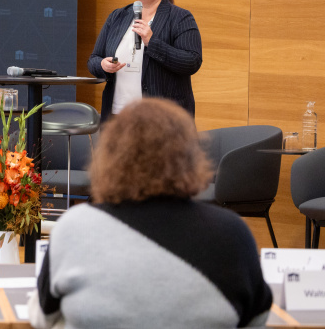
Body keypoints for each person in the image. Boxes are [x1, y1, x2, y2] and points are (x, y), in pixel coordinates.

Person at [29, 98, 272, 329]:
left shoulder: (75, 227)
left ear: (109, 156)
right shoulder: (232, 232)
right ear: (190, 157)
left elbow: (43, 317)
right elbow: (256, 321)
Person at [87, 0, 202, 121]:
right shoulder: (118, 16)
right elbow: (93, 59)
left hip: (163, 119)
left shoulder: (180, 18)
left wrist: (152, 42)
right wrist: (103, 65)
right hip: (118, 117)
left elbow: (192, 61)